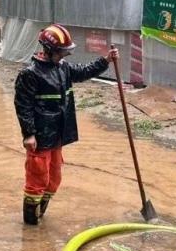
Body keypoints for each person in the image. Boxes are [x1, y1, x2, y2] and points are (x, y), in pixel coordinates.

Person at [14, 24, 118, 225]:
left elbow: (83, 71)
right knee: (38, 178)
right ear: (50, 50)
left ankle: (40, 216)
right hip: (41, 136)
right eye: (62, 51)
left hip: (58, 134)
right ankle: (31, 228)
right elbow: (22, 105)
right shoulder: (30, 74)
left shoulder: (62, 68)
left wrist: (106, 61)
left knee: (54, 179)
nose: (65, 55)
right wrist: (29, 134)